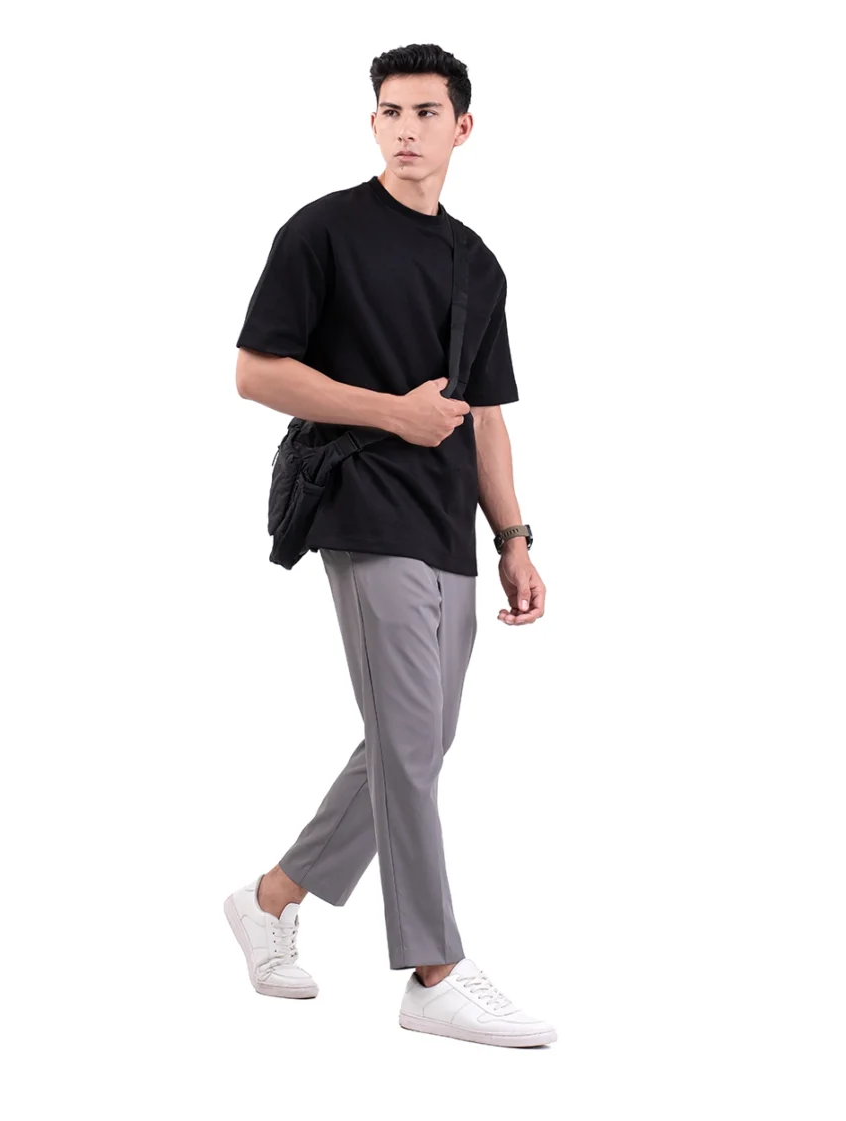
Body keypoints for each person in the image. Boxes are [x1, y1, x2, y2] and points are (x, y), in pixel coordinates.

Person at [224, 43, 556, 1049]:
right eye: (389, 112)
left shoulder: (475, 262)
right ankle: (433, 969)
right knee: (410, 741)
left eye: (425, 112)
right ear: (373, 123)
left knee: (413, 741)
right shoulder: (322, 231)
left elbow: (486, 415)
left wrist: (513, 537)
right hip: (362, 509)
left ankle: (270, 896)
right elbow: (255, 371)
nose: (405, 129)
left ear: (463, 127)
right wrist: (390, 412)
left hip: (447, 522)